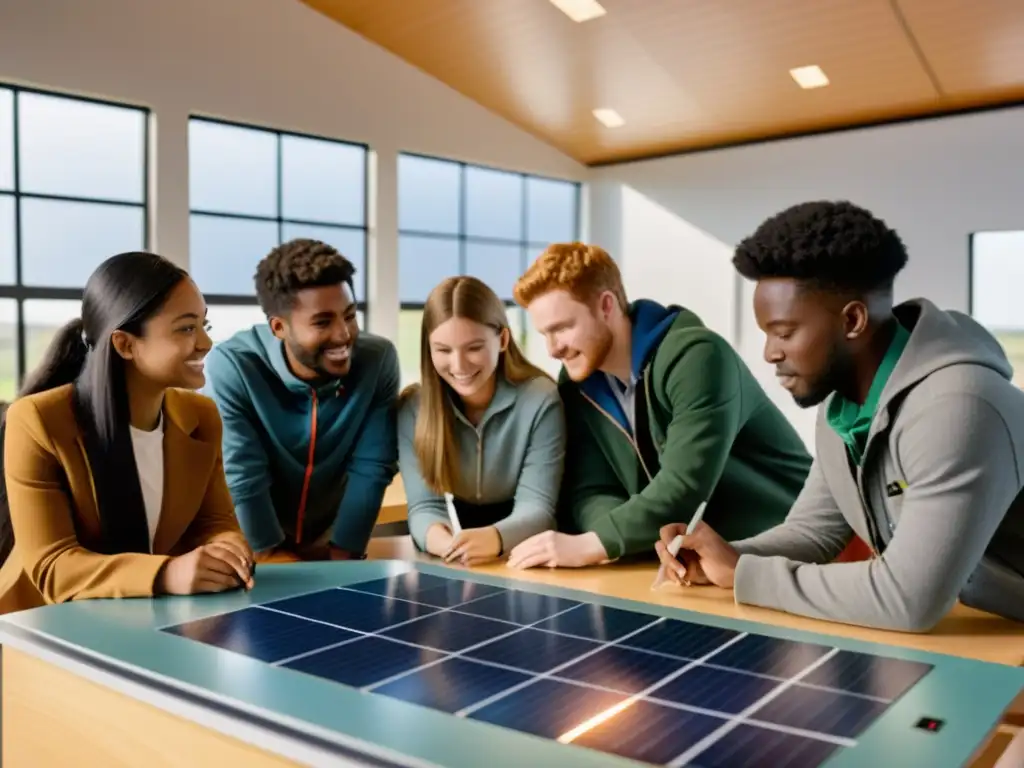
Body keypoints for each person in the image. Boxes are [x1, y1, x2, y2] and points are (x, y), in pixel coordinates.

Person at [657, 200, 1024, 632]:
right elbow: (813, 534)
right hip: (988, 628)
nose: (770, 353)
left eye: (784, 332)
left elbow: (907, 599)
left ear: (852, 320)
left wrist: (743, 575)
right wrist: (722, 556)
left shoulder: (961, 406)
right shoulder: (841, 409)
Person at [507, 243, 812, 569]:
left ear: (606, 306)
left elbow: (684, 486)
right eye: (544, 334)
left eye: (562, 328)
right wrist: (614, 540)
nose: (553, 349)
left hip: (798, 544)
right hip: (705, 559)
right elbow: (592, 488)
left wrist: (593, 544)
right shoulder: (577, 384)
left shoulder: (697, 356)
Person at [0, 252, 254, 615]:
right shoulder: (37, 421)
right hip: (41, 626)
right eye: (186, 328)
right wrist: (167, 574)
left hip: (148, 619)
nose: (205, 343)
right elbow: (54, 567)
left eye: (204, 325)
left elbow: (214, 523)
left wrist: (226, 548)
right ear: (125, 344)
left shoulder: (201, 416)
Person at [204, 238, 399, 563]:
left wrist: (343, 553)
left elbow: (372, 465)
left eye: (349, 315)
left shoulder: (377, 360)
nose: (344, 334)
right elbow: (243, 472)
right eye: (323, 322)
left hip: (333, 538)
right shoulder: (234, 366)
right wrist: (269, 552)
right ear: (279, 327)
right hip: (252, 544)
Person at [398, 276, 565, 567]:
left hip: (541, 554)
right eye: (443, 350)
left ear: (502, 340)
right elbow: (424, 507)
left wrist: (494, 538)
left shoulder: (542, 399)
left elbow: (537, 508)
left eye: (473, 347)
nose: (459, 365)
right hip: (474, 556)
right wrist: (447, 545)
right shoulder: (414, 408)